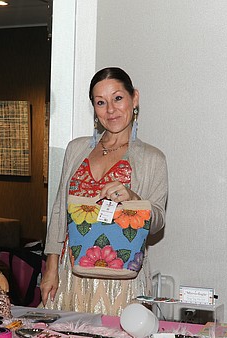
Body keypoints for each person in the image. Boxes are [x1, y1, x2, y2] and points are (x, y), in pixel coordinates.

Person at [40, 67, 168, 315]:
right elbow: (59, 211)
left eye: (118, 98)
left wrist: (134, 200)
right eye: (101, 102)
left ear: (135, 98)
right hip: (71, 270)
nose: (110, 110)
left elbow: (158, 221)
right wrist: (51, 267)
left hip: (123, 277)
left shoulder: (153, 158)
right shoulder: (76, 150)